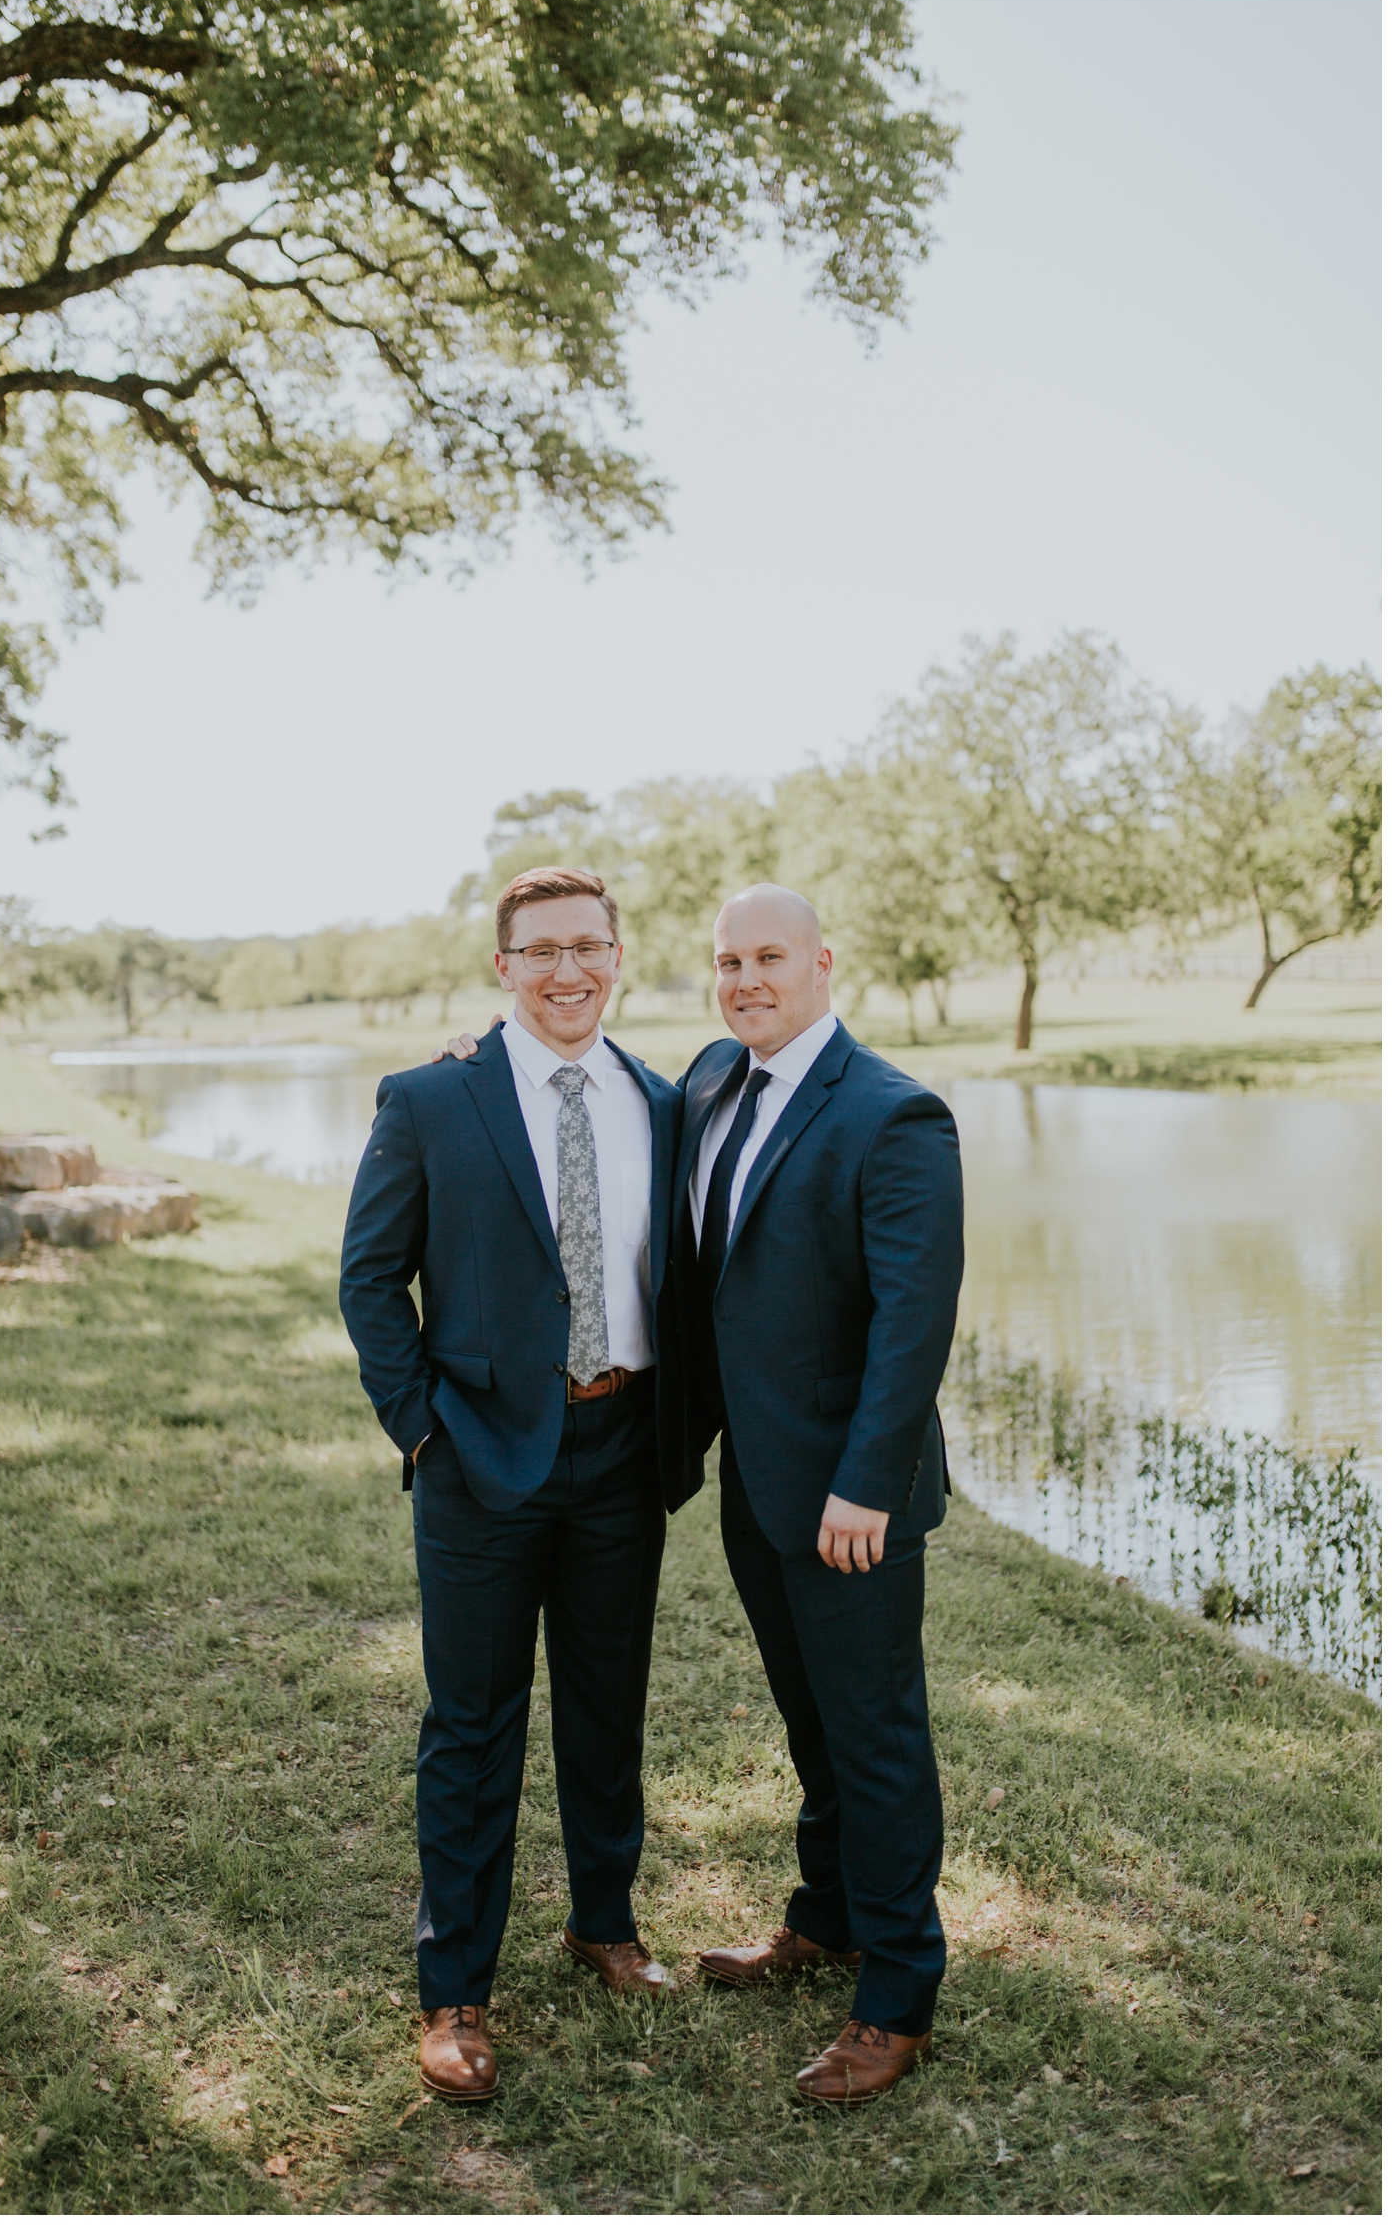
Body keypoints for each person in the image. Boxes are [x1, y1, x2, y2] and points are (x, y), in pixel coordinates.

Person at [339, 866, 700, 2104]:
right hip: (478, 1457)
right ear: (504, 966)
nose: (566, 971)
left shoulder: (665, 1099)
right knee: (474, 1723)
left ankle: (605, 1922)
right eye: (540, 951)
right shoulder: (432, 1098)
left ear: (617, 956)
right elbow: (369, 1280)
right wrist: (424, 1429)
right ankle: (453, 1989)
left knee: (609, 1706)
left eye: (587, 948)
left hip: (619, 1448)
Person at [679, 884, 963, 2106]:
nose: (747, 978)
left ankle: (896, 1996)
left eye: (771, 956)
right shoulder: (707, 1080)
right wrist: (479, 1051)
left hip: (850, 1499)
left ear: (824, 963)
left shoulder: (895, 1113)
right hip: (757, 1477)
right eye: (729, 959)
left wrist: (866, 1487)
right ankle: (826, 1915)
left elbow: (915, 1321)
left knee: (877, 1736)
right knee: (811, 1720)